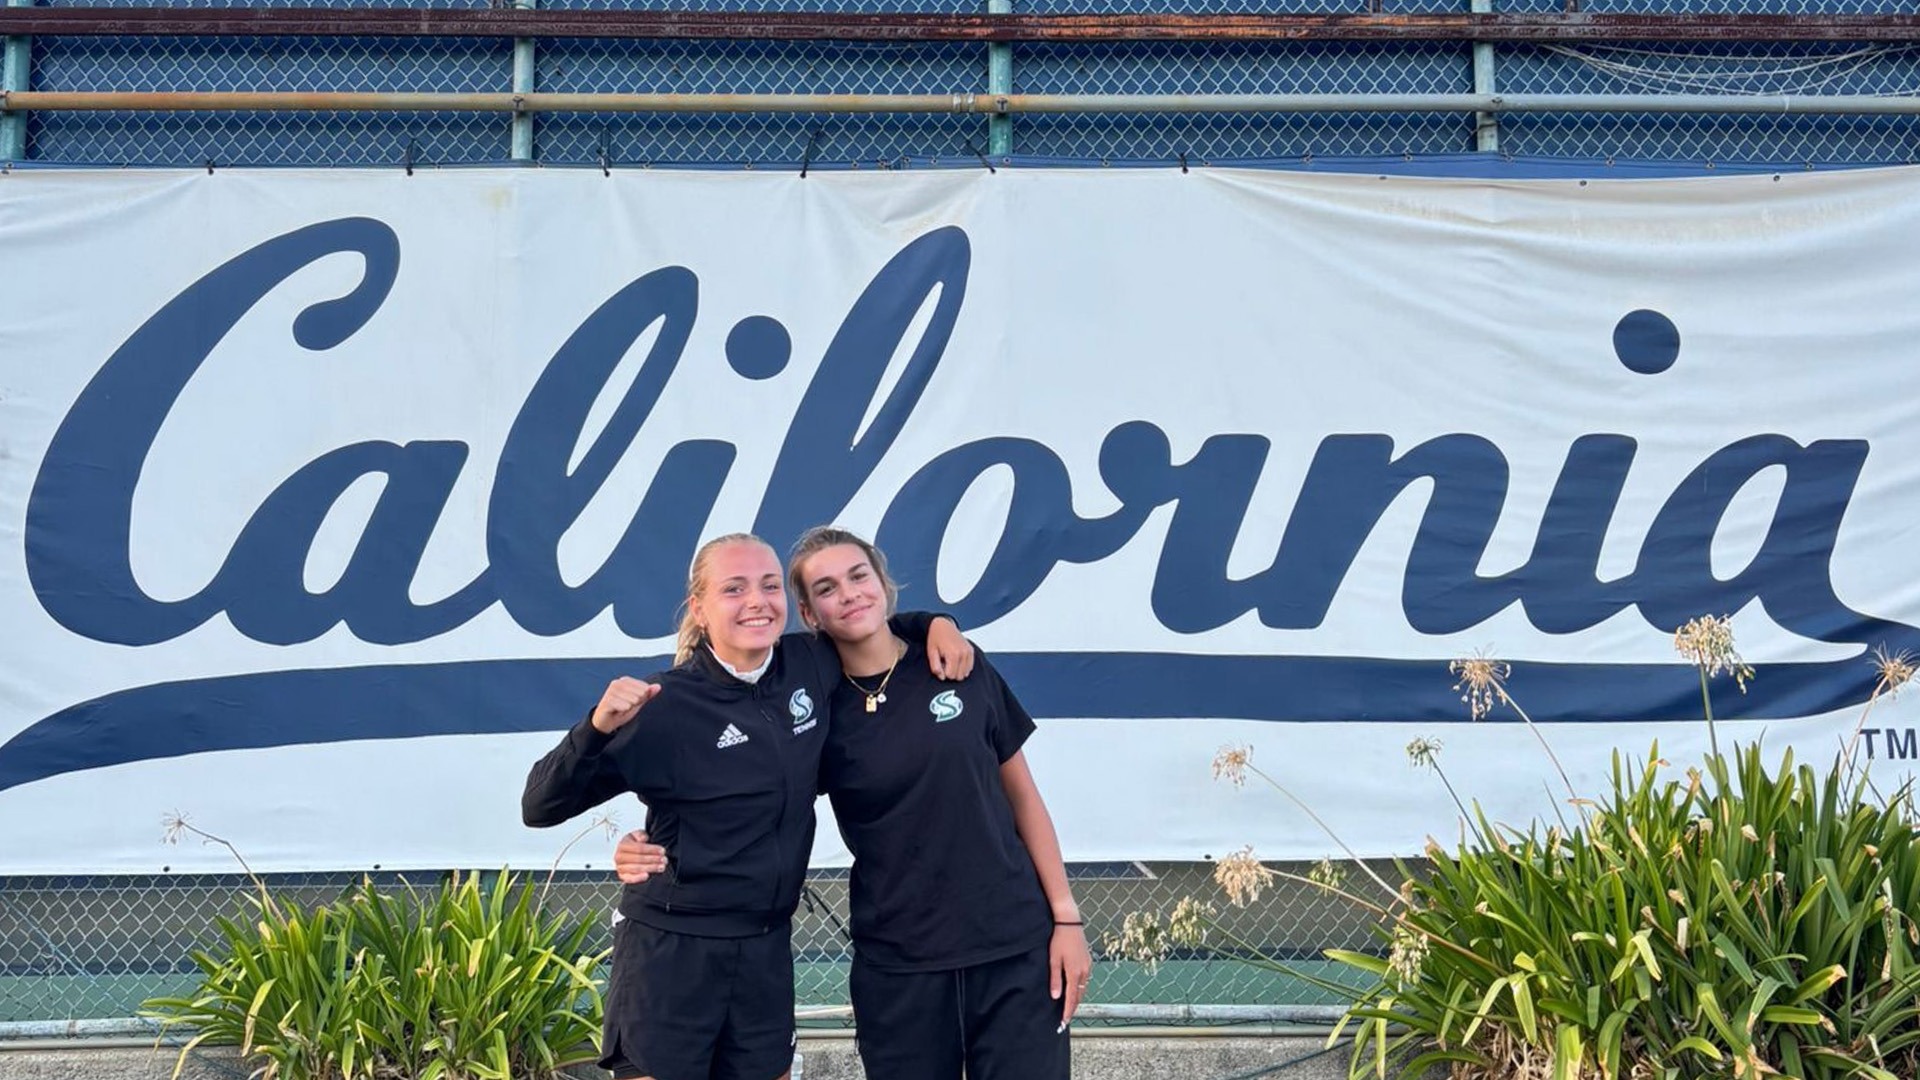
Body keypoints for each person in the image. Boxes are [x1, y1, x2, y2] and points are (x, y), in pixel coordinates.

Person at [620, 526, 1090, 1080]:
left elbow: (1025, 798)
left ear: (884, 584)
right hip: (898, 963)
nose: (848, 594)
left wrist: (1066, 918)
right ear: (809, 613)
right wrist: (647, 845)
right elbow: (735, 794)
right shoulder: (810, 705)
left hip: (1013, 948)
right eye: (826, 588)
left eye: (858, 576)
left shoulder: (958, 665)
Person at [522, 532, 971, 1080]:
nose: (757, 601)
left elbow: (866, 622)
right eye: (734, 589)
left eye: (768, 585)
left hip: (764, 950)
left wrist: (935, 624)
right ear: (700, 609)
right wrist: (593, 728)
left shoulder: (810, 663)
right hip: (672, 952)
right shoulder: (663, 704)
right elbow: (540, 805)